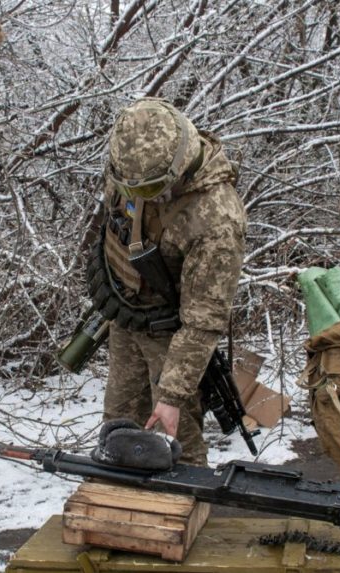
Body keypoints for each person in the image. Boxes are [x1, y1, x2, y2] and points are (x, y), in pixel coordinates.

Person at [91, 97, 246, 467]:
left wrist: (173, 395)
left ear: (177, 168)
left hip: (174, 338)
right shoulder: (132, 166)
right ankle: (123, 508)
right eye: (125, 187)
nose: (132, 196)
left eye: (145, 191)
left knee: (176, 443)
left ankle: (181, 512)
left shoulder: (215, 219)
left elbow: (204, 319)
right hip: (128, 317)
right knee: (119, 429)